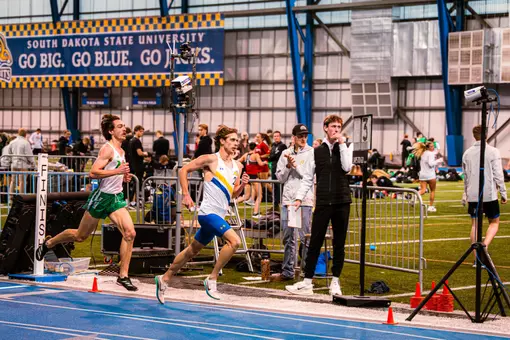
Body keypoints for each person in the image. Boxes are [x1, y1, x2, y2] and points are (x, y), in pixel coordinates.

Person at [36, 114, 138, 291]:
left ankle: (123, 276)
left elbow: (114, 172)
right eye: (120, 126)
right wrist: (118, 171)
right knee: (80, 236)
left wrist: (124, 176)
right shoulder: (107, 150)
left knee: (130, 233)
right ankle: (49, 243)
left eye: (124, 126)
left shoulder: (122, 151)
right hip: (102, 198)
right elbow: (93, 172)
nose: (124, 129)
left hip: (116, 198)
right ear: (111, 131)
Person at [154, 125, 250, 303]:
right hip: (207, 213)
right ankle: (212, 279)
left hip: (219, 216)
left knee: (192, 250)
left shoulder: (238, 165)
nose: (236, 144)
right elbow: (183, 170)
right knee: (234, 241)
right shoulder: (210, 159)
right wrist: (186, 194)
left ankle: (164, 278)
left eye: (237, 140)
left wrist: (242, 186)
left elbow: (233, 195)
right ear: (222, 141)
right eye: (232, 140)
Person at [286, 114, 352, 296]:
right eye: (333, 127)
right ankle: (307, 282)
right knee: (315, 241)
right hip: (323, 201)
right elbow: (307, 178)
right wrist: (299, 198)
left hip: (342, 201)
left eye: (339, 127)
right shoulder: (316, 152)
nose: (336, 130)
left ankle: (335, 281)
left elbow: (347, 168)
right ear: (325, 128)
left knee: (339, 243)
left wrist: (342, 144)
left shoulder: (346, 147)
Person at [273, 124, 314, 281]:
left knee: (305, 237)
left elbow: (308, 177)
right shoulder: (285, 153)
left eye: (305, 135)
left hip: (304, 200)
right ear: (294, 137)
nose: (303, 138)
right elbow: (280, 178)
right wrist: (289, 166)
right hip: (289, 200)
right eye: (300, 136)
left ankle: (306, 273)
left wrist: (295, 165)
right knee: (288, 237)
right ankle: (288, 272)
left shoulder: (311, 153)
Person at [462, 125, 507, 260]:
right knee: (494, 223)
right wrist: (503, 193)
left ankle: (477, 257)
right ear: (487, 135)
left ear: (473, 135)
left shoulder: (467, 153)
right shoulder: (493, 151)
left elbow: (466, 176)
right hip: (489, 194)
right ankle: (484, 247)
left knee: (475, 225)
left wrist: (466, 194)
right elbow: (498, 174)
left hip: (473, 194)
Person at [413, 141, 443, 212]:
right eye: (432, 146)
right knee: (432, 191)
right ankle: (430, 206)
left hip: (422, 175)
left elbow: (434, 153)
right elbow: (430, 164)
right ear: (428, 147)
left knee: (423, 190)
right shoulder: (430, 154)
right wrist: (438, 161)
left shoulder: (422, 153)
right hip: (430, 175)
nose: (433, 147)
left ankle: (415, 196)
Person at [9, 128, 35, 194]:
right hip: (23, 164)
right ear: (25, 135)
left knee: (13, 181)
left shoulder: (12, 142)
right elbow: (29, 155)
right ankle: (21, 198)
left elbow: (9, 153)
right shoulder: (26, 143)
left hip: (14, 163)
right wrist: (34, 164)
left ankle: (10, 197)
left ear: (18, 133)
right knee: (22, 181)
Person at [129, 125, 149, 207]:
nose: (142, 133)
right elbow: (139, 153)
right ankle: (135, 201)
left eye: (142, 131)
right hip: (138, 165)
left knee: (134, 183)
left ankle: (132, 200)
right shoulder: (136, 141)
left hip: (133, 164)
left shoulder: (131, 140)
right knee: (137, 184)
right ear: (136, 131)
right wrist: (146, 154)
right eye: (140, 131)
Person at [268, 130, 287, 209]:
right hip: (273, 167)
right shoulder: (273, 146)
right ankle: (275, 204)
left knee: (280, 186)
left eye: (277, 136)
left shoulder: (283, 146)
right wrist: (272, 156)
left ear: (280, 137)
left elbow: (276, 156)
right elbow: (270, 157)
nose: (276, 137)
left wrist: (272, 156)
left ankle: (281, 203)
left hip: (280, 168)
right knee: (274, 186)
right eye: (274, 136)